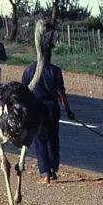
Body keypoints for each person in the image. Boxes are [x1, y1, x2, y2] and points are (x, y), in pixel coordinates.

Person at [22, 41, 76, 183]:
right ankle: (52, 170)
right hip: (53, 109)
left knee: (40, 141)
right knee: (53, 139)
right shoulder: (55, 71)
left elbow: (24, 94)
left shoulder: (28, 71)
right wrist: (68, 110)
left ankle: (45, 173)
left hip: (37, 110)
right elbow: (61, 93)